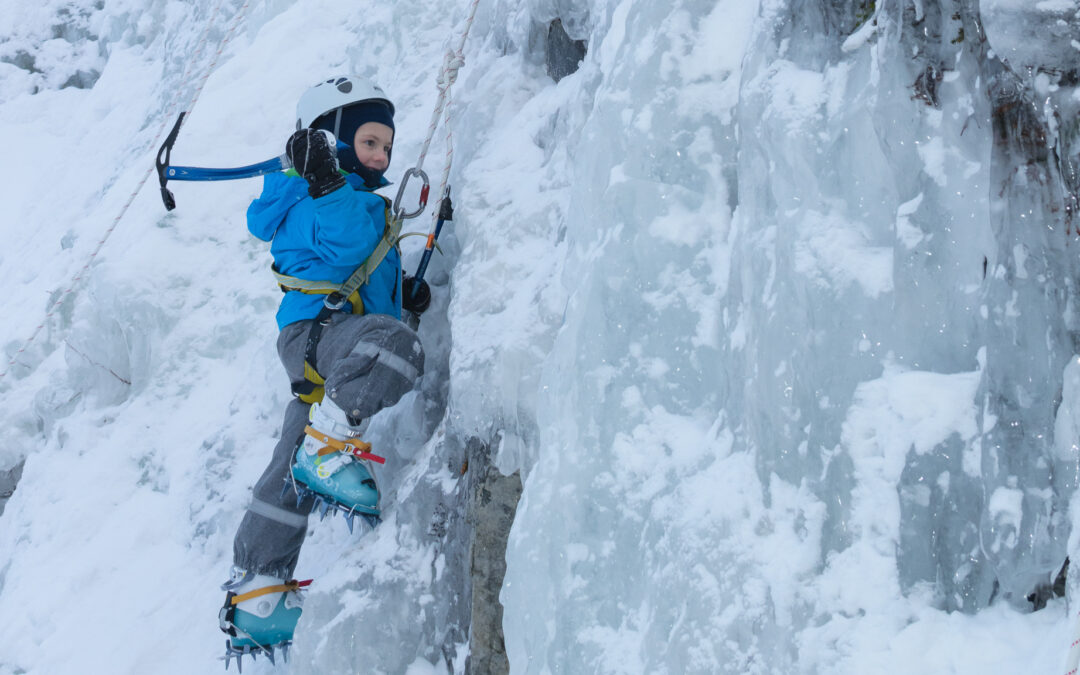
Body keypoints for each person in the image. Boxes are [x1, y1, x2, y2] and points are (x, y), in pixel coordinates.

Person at [217, 76, 431, 664]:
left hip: (328, 339)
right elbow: (346, 245)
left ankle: (259, 586)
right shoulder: (311, 197)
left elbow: (358, 259)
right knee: (397, 346)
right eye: (367, 141)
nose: (381, 156)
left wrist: (402, 291)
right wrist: (325, 182)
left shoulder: (336, 196)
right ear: (329, 139)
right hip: (323, 335)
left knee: (293, 449)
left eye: (386, 147)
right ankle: (330, 448)